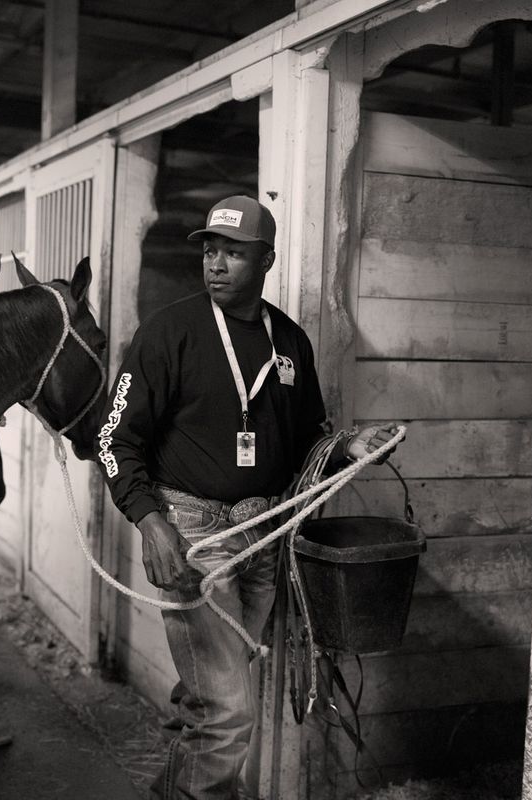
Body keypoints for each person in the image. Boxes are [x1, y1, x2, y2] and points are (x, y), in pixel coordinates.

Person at [96, 195, 398, 799]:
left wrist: (349, 447)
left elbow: (308, 435)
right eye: (210, 250)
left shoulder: (288, 341)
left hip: (262, 535)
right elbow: (114, 438)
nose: (215, 262)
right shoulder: (168, 332)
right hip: (192, 533)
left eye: (233, 252)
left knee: (213, 694)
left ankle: (171, 792)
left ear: (267, 260)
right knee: (230, 709)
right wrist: (152, 525)